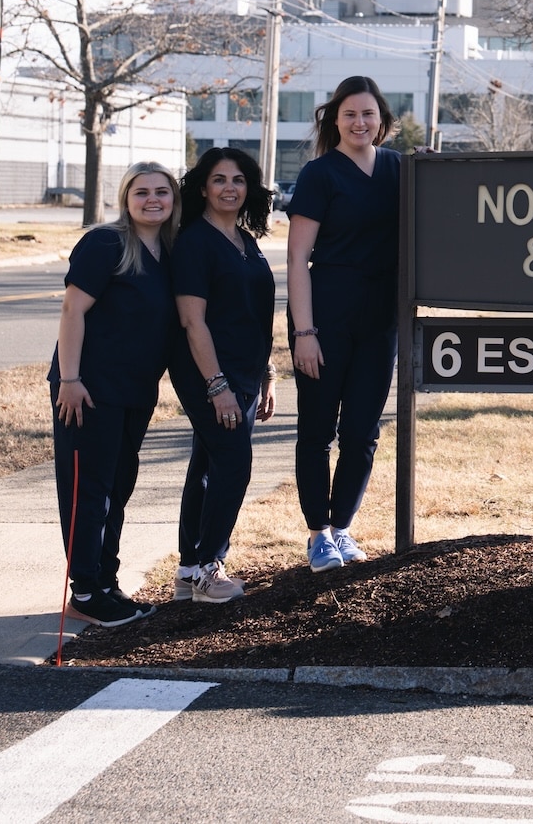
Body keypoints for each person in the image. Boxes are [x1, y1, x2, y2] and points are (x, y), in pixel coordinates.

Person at [49, 162, 181, 627]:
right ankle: (84, 589)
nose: (152, 200)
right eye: (141, 191)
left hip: (135, 390)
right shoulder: (105, 243)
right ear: (125, 198)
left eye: (162, 192)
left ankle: (105, 582)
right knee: (89, 489)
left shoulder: (170, 252)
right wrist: (69, 379)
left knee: (118, 488)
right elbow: (72, 309)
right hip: (86, 389)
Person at [285, 76, 402, 572]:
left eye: (368, 114)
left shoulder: (400, 169)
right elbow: (296, 260)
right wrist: (303, 333)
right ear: (334, 119)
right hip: (327, 316)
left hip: (381, 320)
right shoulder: (320, 174)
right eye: (350, 114)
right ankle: (317, 534)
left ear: (382, 122)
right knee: (316, 431)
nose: (360, 122)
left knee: (362, 431)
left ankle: (343, 527)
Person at [170, 145, 277, 603]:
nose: (230, 188)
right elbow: (193, 322)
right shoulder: (195, 242)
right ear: (202, 187)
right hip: (210, 373)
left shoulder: (245, 240)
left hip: (246, 373)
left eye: (238, 180)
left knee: (208, 465)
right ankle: (210, 571)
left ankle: (188, 570)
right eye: (219, 180)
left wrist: (268, 370)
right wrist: (218, 388)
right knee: (233, 465)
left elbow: (252, 313)